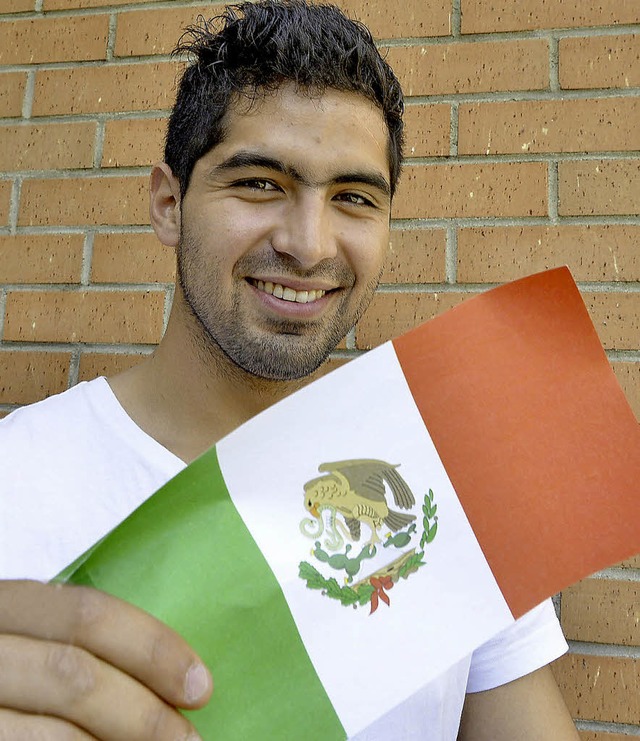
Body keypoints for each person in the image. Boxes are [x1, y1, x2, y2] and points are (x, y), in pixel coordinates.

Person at [0, 1, 580, 738]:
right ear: (168, 204)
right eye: (260, 183)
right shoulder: (13, 477)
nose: (309, 244)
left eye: (353, 198)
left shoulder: (446, 480)